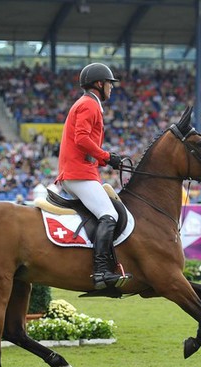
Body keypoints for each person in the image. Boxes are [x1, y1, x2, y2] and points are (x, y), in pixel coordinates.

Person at [55, 62, 131, 290]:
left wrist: (104, 159)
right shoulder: (89, 105)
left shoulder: (89, 103)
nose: (112, 88)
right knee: (109, 214)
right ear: (99, 84)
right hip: (78, 173)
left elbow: (83, 146)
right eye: (110, 83)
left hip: (79, 170)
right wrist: (107, 156)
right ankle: (101, 271)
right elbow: (81, 139)